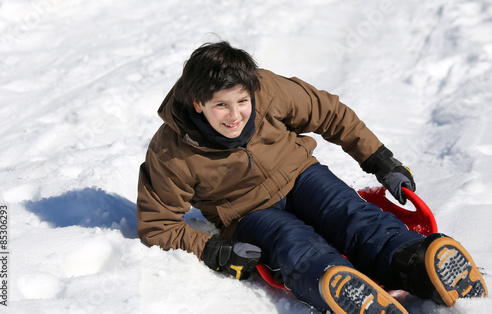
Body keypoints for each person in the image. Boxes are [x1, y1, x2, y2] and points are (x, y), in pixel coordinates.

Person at [136, 41, 488, 313]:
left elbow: (330, 114)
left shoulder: (267, 89)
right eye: (221, 106)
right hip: (246, 212)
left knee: (353, 216)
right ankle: (342, 289)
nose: (235, 115)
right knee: (292, 244)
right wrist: (213, 248)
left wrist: (381, 160)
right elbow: (157, 224)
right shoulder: (171, 151)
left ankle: (417, 265)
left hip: (301, 174)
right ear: (198, 103)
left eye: (242, 101)